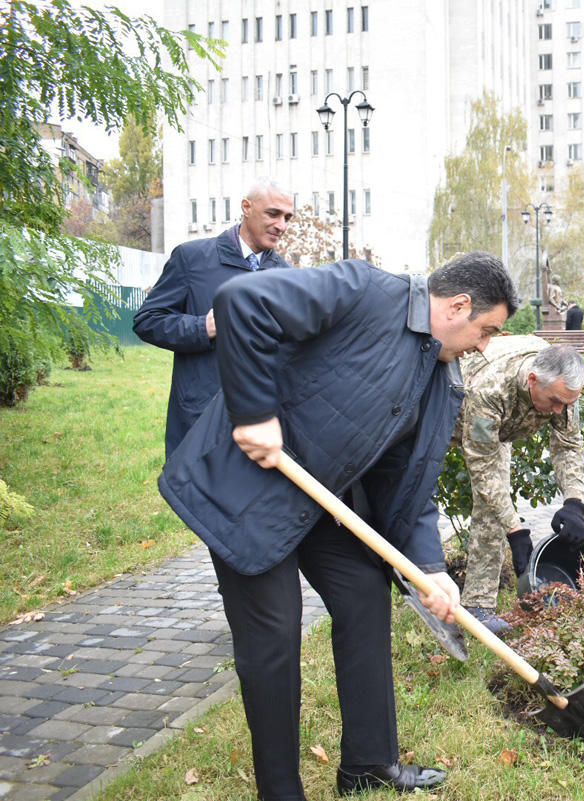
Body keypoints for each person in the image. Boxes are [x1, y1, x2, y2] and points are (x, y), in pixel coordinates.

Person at [157, 252, 518, 799]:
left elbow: (409, 482)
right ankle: (281, 792)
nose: (485, 344)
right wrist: (254, 413)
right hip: (249, 487)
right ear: (458, 306)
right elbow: (240, 302)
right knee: (275, 635)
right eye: (486, 330)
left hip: (324, 500)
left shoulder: (441, 377)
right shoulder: (364, 289)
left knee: (364, 596)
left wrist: (430, 568)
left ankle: (369, 765)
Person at [134, 178, 294, 457]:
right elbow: (148, 321)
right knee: (196, 498)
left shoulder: (288, 276)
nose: (281, 225)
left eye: (287, 217)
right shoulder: (192, 258)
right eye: (273, 214)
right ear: (247, 207)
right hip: (201, 417)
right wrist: (202, 328)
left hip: (261, 423)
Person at [454, 336, 584, 633]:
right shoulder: (491, 389)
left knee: (492, 509)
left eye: (566, 403)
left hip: (497, 432)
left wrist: (575, 504)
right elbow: (482, 464)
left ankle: (477, 607)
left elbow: (569, 444)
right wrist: (516, 530)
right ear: (532, 380)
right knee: (488, 498)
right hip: (450, 417)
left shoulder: (561, 388)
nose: (559, 410)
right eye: (555, 401)